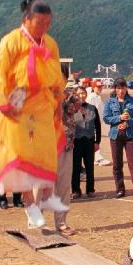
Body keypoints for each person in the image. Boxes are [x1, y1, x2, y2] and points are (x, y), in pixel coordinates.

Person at [0, 0, 68, 227]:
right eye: (39, 23)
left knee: (45, 153)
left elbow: (56, 77)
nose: (43, 28)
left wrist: (58, 103)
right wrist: (4, 103)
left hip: (43, 102)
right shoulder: (11, 41)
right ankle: (29, 203)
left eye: (47, 23)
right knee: (19, 154)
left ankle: (43, 200)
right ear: (27, 19)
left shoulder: (50, 43)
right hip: (17, 101)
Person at [103, 78, 133, 198]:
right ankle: (120, 189)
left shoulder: (132, 100)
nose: (121, 91)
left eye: (123, 88)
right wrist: (119, 117)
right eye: (118, 88)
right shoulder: (110, 102)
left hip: (130, 135)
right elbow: (106, 118)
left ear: (126, 88)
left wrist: (128, 123)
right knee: (117, 164)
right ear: (115, 89)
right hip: (115, 135)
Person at [71, 86, 102, 199]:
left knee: (90, 166)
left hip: (89, 140)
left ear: (86, 94)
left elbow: (98, 126)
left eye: (83, 93)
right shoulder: (71, 108)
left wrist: (97, 141)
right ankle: (75, 190)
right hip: (76, 141)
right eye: (79, 93)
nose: (81, 95)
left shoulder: (92, 108)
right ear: (75, 95)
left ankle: (90, 189)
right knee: (75, 167)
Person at [54, 93, 79, 235]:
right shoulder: (42, 95)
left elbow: (76, 110)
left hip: (66, 148)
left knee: (63, 186)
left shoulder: (68, 96)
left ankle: (61, 222)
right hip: (45, 150)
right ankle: (37, 224)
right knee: (41, 188)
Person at [87, 79, 112, 166]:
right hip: (92, 122)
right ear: (93, 87)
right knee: (95, 141)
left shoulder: (97, 97)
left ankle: (94, 158)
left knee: (94, 141)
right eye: (98, 87)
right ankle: (98, 159)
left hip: (96, 122)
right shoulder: (92, 97)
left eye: (101, 87)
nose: (100, 89)